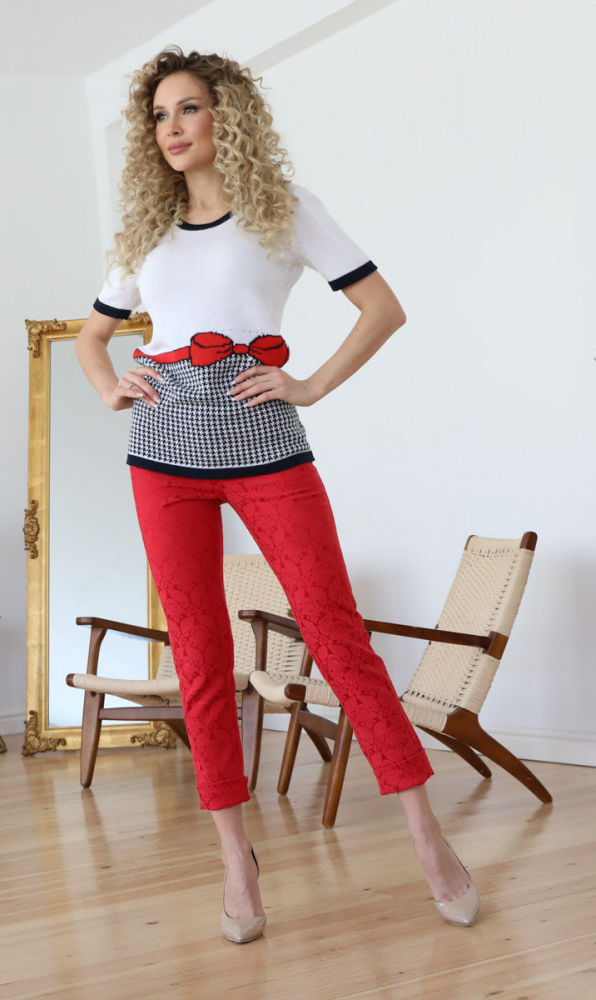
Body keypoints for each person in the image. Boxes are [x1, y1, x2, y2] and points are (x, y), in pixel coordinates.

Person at [76, 46, 480, 943]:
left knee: (335, 633)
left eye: (188, 108)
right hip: (162, 454)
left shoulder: (284, 209)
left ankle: (426, 835)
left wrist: (311, 385)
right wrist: (109, 387)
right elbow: (91, 337)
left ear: (226, 114)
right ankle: (235, 858)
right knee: (200, 653)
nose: (172, 127)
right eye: (158, 115)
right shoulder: (146, 230)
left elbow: (383, 308)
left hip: (264, 444)